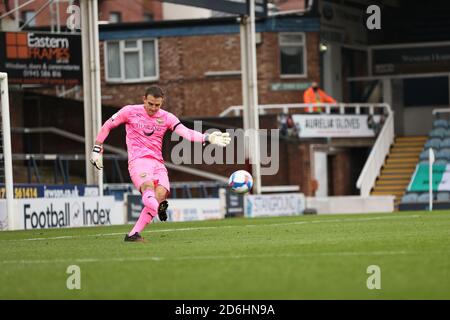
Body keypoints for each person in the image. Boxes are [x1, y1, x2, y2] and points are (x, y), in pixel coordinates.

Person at [90, 86, 231, 242]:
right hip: (138, 161)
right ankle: (159, 209)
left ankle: (133, 234)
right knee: (148, 189)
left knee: (161, 193)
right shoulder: (129, 111)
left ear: (162, 103)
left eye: (157, 105)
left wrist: (208, 138)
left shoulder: (167, 117)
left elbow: (186, 133)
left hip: (157, 163)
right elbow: (107, 126)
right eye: (150, 104)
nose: (153, 108)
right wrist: (97, 149)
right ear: (144, 99)